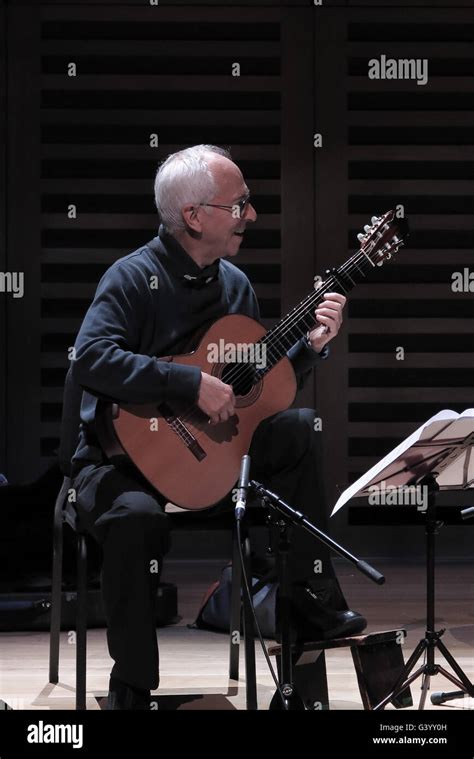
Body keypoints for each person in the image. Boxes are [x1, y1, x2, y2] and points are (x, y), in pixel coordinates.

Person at [69, 144, 366, 710]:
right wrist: (186, 385)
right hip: (120, 466)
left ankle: (307, 601)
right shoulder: (132, 278)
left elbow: (253, 394)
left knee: (300, 428)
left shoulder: (235, 286)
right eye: (240, 205)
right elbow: (90, 360)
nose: (251, 216)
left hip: (211, 462)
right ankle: (132, 688)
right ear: (194, 216)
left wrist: (309, 350)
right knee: (134, 522)